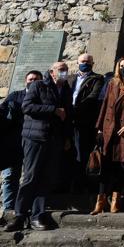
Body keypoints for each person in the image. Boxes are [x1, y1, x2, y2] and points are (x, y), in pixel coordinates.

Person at [5, 62, 72, 232]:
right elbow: (27, 107)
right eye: (61, 70)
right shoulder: (39, 85)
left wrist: (66, 137)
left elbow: (68, 115)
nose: (64, 73)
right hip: (35, 137)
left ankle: (37, 216)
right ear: (52, 72)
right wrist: (53, 110)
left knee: (46, 178)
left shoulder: (65, 89)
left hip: (54, 139)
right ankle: (19, 215)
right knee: (30, 176)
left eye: (66, 70)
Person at [91, 57, 124, 215]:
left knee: (121, 166)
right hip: (109, 128)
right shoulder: (112, 82)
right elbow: (105, 104)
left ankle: (115, 199)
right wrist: (100, 128)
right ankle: (100, 201)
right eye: (121, 66)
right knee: (105, 165)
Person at [0, 71, 43, 217]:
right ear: (25, 81)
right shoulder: (15, 96)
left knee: (29, 177)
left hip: (33, 143)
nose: (33, 81)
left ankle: (24, 208)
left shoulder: (44, 98)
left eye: (36, 79)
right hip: (13, 144)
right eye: (30, 79)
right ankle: (8, 209)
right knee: (10, 176)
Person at [68, 53, 104, 191]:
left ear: (92, 64)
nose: (85, 63)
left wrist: (74, 110)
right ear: (78, 62)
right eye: (83, 61)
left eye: (88, 62)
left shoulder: (97, 78)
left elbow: (92, 97)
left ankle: (79, 186)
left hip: (82, 120)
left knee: (81, 153)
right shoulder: (70, 78)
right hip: (67, 120)